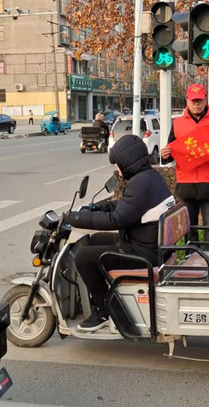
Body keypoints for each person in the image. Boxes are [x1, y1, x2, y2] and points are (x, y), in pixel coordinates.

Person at [64, 134, 174, 331]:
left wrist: (76, 219)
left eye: (117, 164)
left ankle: (102, 310)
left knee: (83, 257)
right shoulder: (149, 176)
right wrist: (100, 207)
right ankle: (104, 294)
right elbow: (128, 206)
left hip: (144, 254)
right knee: (93, 241)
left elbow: (117, 219)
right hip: (149, 244)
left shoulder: (140, 183)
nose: (116, 168)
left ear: (128, 161)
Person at [160, 83, 209, 248]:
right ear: (187, 101)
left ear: (205, 100)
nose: (197, 104)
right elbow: (171, 150)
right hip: (186, 184)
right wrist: (165, 155)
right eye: (193, 100)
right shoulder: (178, 124)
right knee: (189, 228)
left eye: (200, 101)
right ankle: (192, 262)